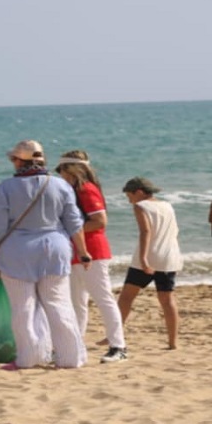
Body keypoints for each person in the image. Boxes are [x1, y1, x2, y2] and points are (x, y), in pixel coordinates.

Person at [0, 140, 91, 370]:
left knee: (23, 308)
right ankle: (70, 358)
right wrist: (84, 252)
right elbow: (73, 223)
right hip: (55, 249)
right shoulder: (59, 185)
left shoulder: (7, 187)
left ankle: (29, 358)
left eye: (14, 159)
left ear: (20, 161)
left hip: (18, 252)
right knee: (58, 304)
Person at [56, 150, 127, 363]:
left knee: (102, 297)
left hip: (92, 251)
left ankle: (119, 346)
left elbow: (100, 221)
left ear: (72, 170)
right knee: (76, 301)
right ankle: (75, 344)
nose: (60, 175)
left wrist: (69, 230)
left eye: (62, 170)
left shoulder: (86, 189)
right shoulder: (75, 190)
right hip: (76, 251)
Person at [118, 177, 183, 350]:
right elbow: (175, 231)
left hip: (148, 257)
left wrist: (144, 258)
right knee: (167, 300)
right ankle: (172, 342)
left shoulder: (141, 206)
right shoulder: (167, 205)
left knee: (126, 297)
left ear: (138, 191)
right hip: (169, 257)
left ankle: (114, 335)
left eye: (129, 195)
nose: (128, 199)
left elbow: (145, 232)